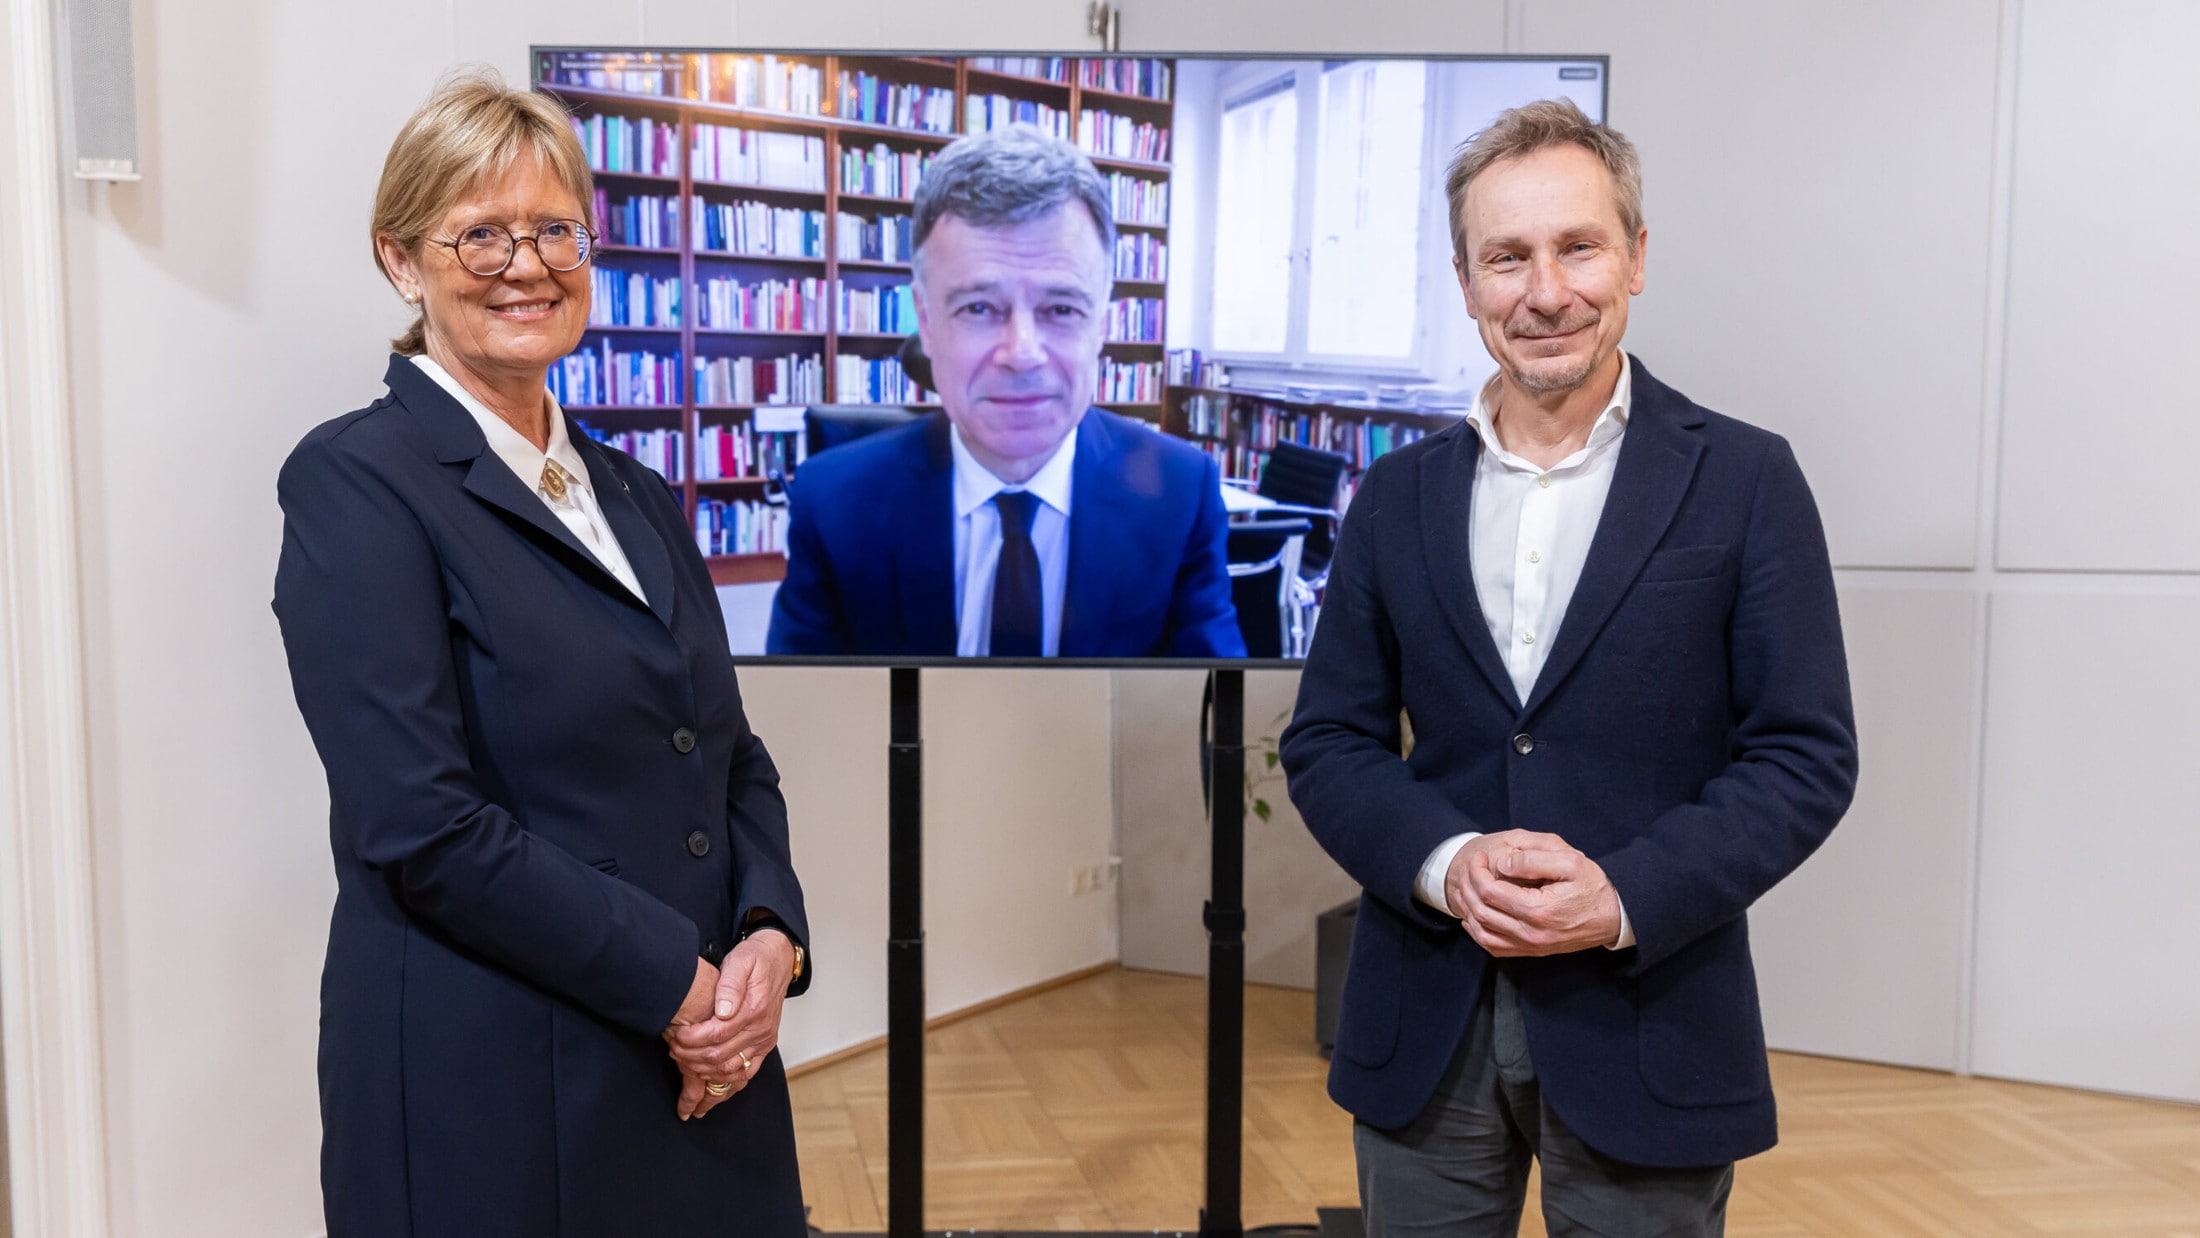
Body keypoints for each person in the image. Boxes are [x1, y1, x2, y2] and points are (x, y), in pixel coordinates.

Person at [1279, 98, 1857, 1236]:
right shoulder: (1394, 495)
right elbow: (1330, 740)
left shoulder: (1747, 480)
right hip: (1424, 1022)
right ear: (1465, 281)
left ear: (1635, 257)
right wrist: (1447, 862)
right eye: (1507, 257)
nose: (1545, 293)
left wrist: (1624, 894)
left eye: (1577, 248)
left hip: (1649, 1021)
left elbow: (1803, 756)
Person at [273, 71, 811, 1237]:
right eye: (480, 234)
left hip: (704, 1056)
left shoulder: (637, 491)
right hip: (501, 1075)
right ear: (401, 262)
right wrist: (681, 985)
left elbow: (728, 752)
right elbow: (419, 823)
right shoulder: (356, 482)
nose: (527, 265)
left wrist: (771, 935)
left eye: (556, 230)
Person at [766, 124, 1245, 658]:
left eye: (1061, 309)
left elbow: (1215, 703)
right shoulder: (832, 503)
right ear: (926, 321)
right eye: (979, 308)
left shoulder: (1180, 494)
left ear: (1102, 325)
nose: (1022, 353)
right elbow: (801, 706)